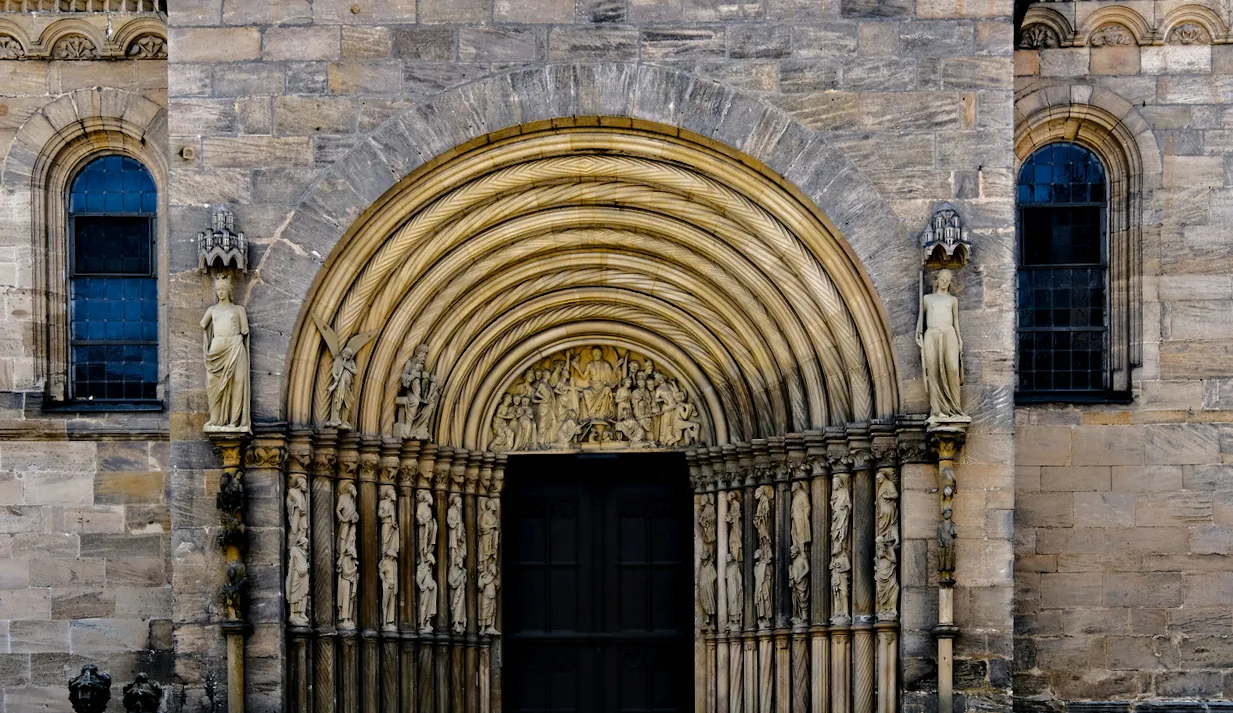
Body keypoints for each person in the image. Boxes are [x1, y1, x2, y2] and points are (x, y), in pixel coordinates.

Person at [201, 273, 250, 432]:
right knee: (212, 382)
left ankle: (234, 421)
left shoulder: (238, 310)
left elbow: (244, 330)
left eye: (223, 289)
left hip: (235, 346)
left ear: (228, 290)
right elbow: (203, 324)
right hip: (217, 348)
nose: (220, 292)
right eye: (218, 289)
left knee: (238, 382)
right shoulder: (212, 310)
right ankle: (215, 418)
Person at [916, 269, 966, 424]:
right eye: (942, 278)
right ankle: (937, 410)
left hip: (949, 333)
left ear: (950, 282)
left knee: (952, 367)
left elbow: (956, 320)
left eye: (948, 279)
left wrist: (959, 338)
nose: (945, 281)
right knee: (933, 370)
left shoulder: (952, 300)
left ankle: (954, 408)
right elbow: (921, 319)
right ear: (937, 279)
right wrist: (918, 333)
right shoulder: (927, 299)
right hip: (931, 334)